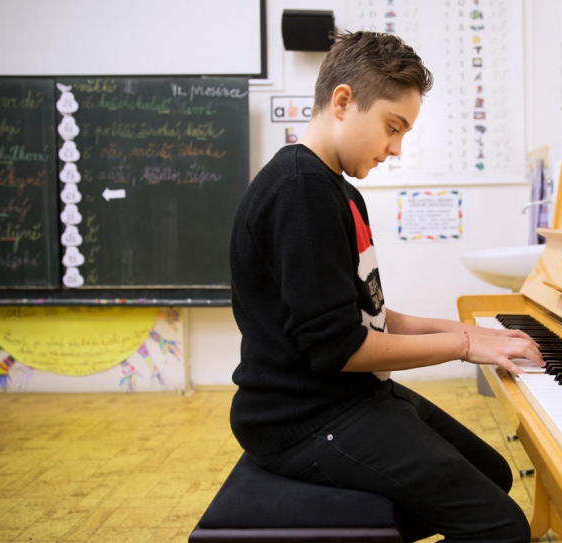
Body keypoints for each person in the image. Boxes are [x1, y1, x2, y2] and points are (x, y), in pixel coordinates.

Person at [228, 30, 544, 543]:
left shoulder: (339, 190)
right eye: (392, 127)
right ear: (343, 101)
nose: (396, 148)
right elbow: (339, 347)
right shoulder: (299, 190)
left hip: (351, 398)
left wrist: (471, 333)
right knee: (501, 527)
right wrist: (463, 346)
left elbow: (372, 315)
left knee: (495, 475)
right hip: (302, 418)